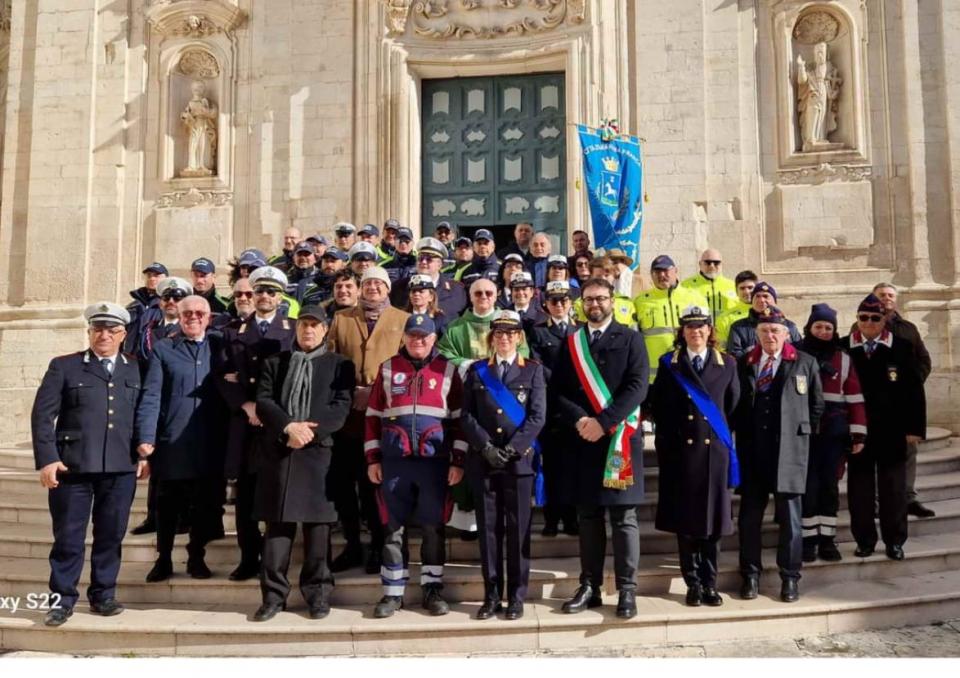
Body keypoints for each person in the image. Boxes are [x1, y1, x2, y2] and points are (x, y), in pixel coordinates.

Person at [30, 302, 149, 626]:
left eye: (111, 331)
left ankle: (103, 595)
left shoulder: (135, 367)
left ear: (123, 334)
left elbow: (142, 413)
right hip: (73, 468)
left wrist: (144, 454)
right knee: (68, 538)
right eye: (98, 329)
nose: (104, 336)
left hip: (120, 467)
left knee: (110, 535)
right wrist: (48, 459)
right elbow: (43, 416)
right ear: (89, 332)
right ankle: (61, 600)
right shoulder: (64, 366)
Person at [251, 305, 356, 621]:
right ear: (296, 330)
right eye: (303, 325)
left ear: (325, 330)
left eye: (314, 325)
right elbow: (264, 400)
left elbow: (341, 406)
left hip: (318, 454)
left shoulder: (340, 365)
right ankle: (273, 597)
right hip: (281, 452)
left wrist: (309, 432)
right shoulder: (276, 362)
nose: (308, 330)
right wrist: (288, 427)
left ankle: (318, 594)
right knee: (277, 533)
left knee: (318, 534)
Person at [552, 277, 649, 619]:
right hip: (584, 442)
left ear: (612, 300)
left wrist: (603, 421)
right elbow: (559, 391)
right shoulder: (572, 343)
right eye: (589, 299)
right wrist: (581, 420)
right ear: (582, 303)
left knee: (624, 519)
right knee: (588, 517)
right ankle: (590, 586)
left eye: (601, 298)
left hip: (619, 439)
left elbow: (638, 386)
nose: (595, 304)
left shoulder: (632, 338)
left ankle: (627, 590)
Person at [364, 313, 467, 618]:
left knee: (433, 527)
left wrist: (458, 460)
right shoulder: (387, 369)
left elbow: (461, 421)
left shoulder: (448, 370)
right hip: (394, 463)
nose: (417, 340)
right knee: (392, 528)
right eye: (412, 335)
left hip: (434, 464)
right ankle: (393, 593)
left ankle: (432, 590)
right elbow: (371, 417)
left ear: (434, 339)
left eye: (424, 336)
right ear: (404, 337)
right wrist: (373, 458)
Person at [135, 295, 229, 583]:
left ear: (209, 317)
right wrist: (145, 438)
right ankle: (163, 559)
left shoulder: (220, 347)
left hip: (210, 442)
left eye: (200, 313)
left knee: (204, 505)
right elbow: (151, 395)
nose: (193, 317)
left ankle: (196, 556)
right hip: (172, 442)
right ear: (179, 314)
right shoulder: (164, 349)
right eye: (187, 312)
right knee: (167, 507)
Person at [461, 310, 547, 620]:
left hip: (518, 463)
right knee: (488, 532)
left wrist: (511, 449)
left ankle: (517, 596)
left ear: (519, 337)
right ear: (491, 337)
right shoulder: (477, 371)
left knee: (518, 531)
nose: (504, 337)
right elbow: (466, 416)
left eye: (510, 333)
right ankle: (492, 595)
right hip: (485, 462)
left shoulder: (534, 371)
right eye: (498, 332)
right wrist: (485, 447)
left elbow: (538, 417)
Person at [651, 305, 740, 607]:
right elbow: (659, 406)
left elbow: (733, 405)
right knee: (687, 524)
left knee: (713, 525)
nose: (695, 332)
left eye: (701, 326)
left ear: (709, 330)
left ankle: (710, 583)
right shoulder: (669, 364)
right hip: (682, 455)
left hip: (714, 453)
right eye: (689, 327)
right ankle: (692, 582)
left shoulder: (727, 364)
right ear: (682, 331)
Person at [735, 306, 824, 603]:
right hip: (753, 452)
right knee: (749, 519)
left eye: (775, 330)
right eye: (764, 331)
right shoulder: (745, 362)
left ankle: (790, 577)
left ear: (786, 333)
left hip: (789, 453)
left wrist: (801, 438)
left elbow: (816, 405)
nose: (769, 335)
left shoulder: (804, 362)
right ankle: (750, 574)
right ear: (757, 334)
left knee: (791, 520)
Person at [326, 267, 410, 573]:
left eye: (379, 283)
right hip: (347, 417)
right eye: (369, 282)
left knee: (374, 485)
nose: (373, 287)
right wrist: (351, 392)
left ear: (388, 288)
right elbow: (330, 361)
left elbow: (407, 366)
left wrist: (373, 391)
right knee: (345, 485)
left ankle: (378, 545)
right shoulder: (342, 318)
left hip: (384, 416)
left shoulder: (402, 319)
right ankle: (351, 545)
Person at [218, 266, 296, 581]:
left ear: (280, 297)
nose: (264, 297)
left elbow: (294, 378)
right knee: (246, 496)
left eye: (270, 292)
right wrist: (245, 403)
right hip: (246, 424)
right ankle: (249, 557)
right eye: (258, 291)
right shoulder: (233, 331)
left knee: (278, 490)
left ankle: (276, 562)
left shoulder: (291, 330)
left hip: (278, 423)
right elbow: (221, 377)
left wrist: (269, 410)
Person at [842, 294, 926, 561]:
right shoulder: (845, 348)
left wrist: (915, 428)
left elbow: (914, 390)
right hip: (858, 431)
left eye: (874, 318)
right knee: (860, 490)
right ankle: (865, 540)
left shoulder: (900, 347)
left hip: (892, 430)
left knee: (894, 489)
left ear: (884, 320)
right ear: (857, 319)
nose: (868, 323)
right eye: (863, 317)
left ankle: (895, 540)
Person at [798, 303, 866, 562]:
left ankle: (827, 541)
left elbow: (855, 397)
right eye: (819, 326)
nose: (824, 331)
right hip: (803, 430)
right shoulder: (796, 353)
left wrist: (858, 433)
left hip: (833, 433)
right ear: (809, 327)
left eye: (829, 328)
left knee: (828, 487)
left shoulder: (843, 358)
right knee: (808, 487)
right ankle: (808, 541)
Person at [128, 276, 193, 537]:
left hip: (178, 405)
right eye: (167, 297)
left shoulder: (189, 330)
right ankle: (153, 516)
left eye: (177, 298)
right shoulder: (149, 330)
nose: (171, 302)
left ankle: (182, 517)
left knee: (180, 468)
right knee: (155, 466)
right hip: (153, 404)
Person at [868, 283, 934, 518]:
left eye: (890, 295)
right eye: (881, 295)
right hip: (877, 405)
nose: (886, 298)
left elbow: (924, 360)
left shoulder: (908, 328)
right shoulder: (865, 324)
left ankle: (908, 498)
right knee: (877, 454)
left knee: (908, 451)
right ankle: (877, 501)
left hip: (904, 405)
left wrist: (911, 386)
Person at [527, 280, 580, 537]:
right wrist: (562, 382)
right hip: (549, 408)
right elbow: (536, 365)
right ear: (546, 304)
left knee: (573, 466)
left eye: (563, 300)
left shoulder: (580, 330)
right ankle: (551, 519)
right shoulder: (537, 332)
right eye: (553, 301)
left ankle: (571, 519)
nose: (559, 305)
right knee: (550, 467)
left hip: (576, 409)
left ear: (570, 303)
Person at [633, 255, 707, 383]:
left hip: (689, 372)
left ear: (675, 271)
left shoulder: (695, 298)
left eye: (666, 270)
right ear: (651, 275)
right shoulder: (640, 301)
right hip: (655, 377)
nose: (662, 275)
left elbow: (707, 332)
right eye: (657, 272)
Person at [390, 237, 468, 318]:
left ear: (440, 264)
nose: (423, 262)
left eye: (429, 259)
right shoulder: (399, 287)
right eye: (420, 258)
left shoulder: (457, 290)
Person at [726, 281, 802, 359]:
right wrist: (756, 352)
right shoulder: (738, 327)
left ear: (775, 301)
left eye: (766, 296)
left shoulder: (789, 326)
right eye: (757, 296)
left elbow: (799, 353)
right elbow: (733, 354)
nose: (761, 300)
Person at [572, 256, 637, 328]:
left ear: (613, 276)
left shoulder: (627, 303)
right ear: (591, 277)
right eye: (598, 276)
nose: (603, 279)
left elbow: (633, 331)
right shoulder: (580, 304)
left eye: (606, 275)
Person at [124, 262, 168, 363]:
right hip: (130, 359)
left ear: (166, 279)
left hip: (154, 360)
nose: (152, 279)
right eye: (149, 276)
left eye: (156, 276)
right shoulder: (133, 306)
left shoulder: (168, 306)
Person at [680, 248, 739, 321]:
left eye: (716, 263)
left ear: (722, 264)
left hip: (726, 331)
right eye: (708, 262)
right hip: (699, 331)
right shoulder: (686, 285)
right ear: (700, 264)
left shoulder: (733, 286)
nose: (712, 266)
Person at [715, 270, 757, 348]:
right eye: (742, 288)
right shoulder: (725, 318)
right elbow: (721, 349)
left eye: (750, 287)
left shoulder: (767, 313)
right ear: (736, 291)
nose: (747, 291)